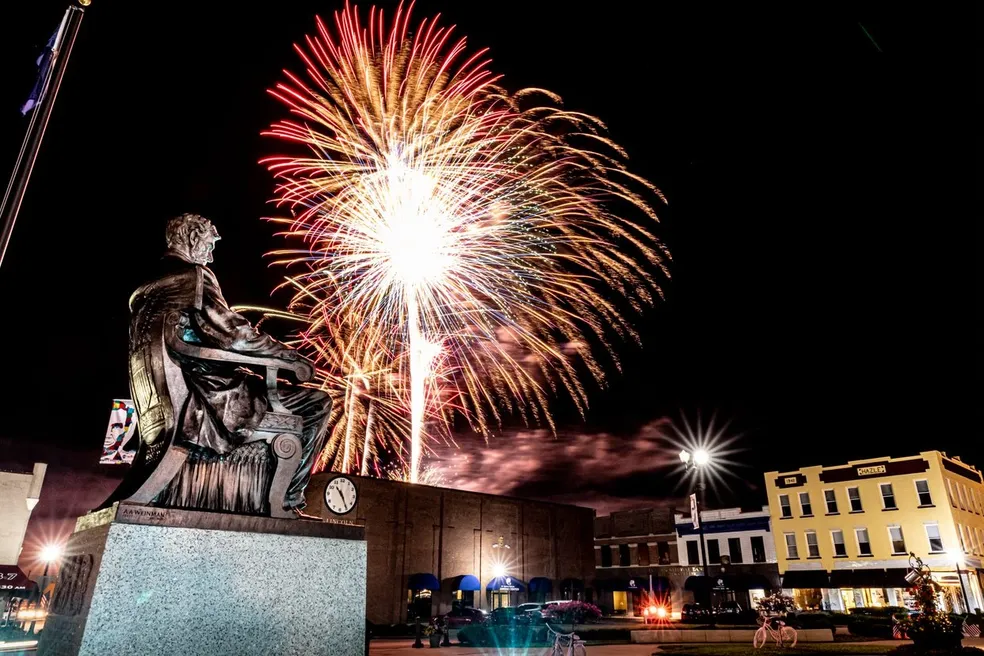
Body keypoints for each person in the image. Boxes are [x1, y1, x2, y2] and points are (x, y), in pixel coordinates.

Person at [128, 213, 330, 514]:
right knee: (317, 402)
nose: (211, 254)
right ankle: (287, 502)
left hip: (172, 398)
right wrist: (289, 356)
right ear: (193, 239)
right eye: (209, 244)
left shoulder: (150, 288)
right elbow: (234, 336)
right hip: (212, 397)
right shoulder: (194, 277)